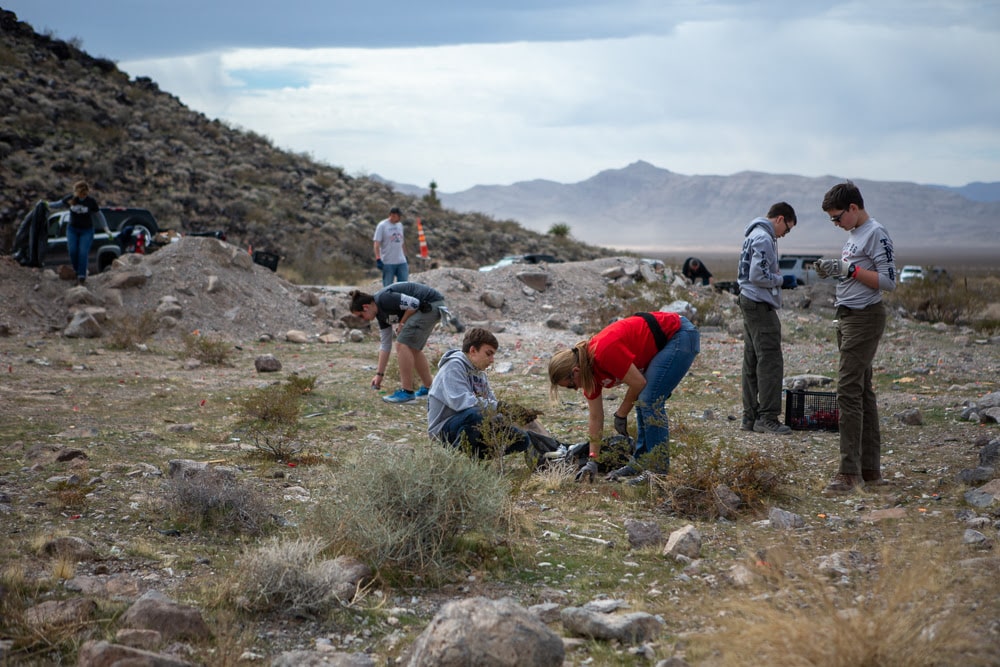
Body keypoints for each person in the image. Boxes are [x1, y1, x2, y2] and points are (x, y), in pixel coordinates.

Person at [548, 311, 700, 483]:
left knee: (648, 399)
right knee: (643, 399)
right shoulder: (588, 374)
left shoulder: (603, 352)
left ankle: (657, 473)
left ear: (575, 372)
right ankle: (640, 462)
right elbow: (596, 417)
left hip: (680, 334)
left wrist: (621, 414)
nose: (575, 389)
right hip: (668, 340)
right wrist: (592, 460)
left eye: (571, 385)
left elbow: (638, 383)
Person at [815, 181, 897, 494]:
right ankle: (870, 470)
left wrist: (846, 270)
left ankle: (848, 472)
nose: (836, 224)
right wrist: (835, 269)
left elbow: (887, 281)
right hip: (847, 315)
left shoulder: (876, 232)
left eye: (837, 217)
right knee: (862, 390)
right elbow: (853, 269)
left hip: (864, 317)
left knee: (848, 388)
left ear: (853, 208)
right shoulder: (854, 235)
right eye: (831, 220)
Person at [428, 327, 557, 460]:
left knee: (521, 439)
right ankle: (456, 460)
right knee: (476, 414)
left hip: (471, 422)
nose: (492, 360)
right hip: (444, 429)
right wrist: (501, 407)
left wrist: (513, 416)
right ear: (473, 351)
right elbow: (461, 403)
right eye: (488, 354)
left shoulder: (480, 374)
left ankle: (475, 461)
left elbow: (491, 405)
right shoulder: (453, 367)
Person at [737, 202, 797, 435]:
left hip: (749, 300)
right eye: (787, 229)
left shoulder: (754, 234)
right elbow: (758, 274)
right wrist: (782, 280)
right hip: (758, 303)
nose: (784, 234)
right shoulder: (763, 237)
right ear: (780, 219)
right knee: (770, 360)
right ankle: (768, 418)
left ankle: (749, 417)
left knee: (751, 360)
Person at [350, 282, 444, 404]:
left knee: (401, 344)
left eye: (361, 316)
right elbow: (385, 345)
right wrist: (379, 375)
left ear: (366, 307)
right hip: (429, 306)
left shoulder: (383, 299)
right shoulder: (381, 316)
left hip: (431, 304)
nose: (363, 319)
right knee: (412, 348)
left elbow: (414, 303)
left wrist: (402, 323)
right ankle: (429, 388)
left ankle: (407, 392)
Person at [46, 180, 110, 284]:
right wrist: (46, 204)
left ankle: (81, 275)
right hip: (72, 229)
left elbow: (99, 215)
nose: (80, 196)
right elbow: (58, 204)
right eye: (78, 194)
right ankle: (77, 270)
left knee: (83, 252)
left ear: (85, 193)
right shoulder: (71, 198)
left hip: (87, 230)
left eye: (82, 194)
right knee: (73, 251)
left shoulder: (91, 202)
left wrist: (106, 228)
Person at [373, 206, 408, 287]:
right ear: (392, 215)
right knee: (388, 286)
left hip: (401, 261)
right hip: (388, 262)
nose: (400, 218)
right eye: (398, 216)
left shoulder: (400, 225)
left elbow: (402, 242)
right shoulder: (382, 226)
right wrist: (378, 258)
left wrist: (405, 255)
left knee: (404, 285)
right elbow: (376, 243)